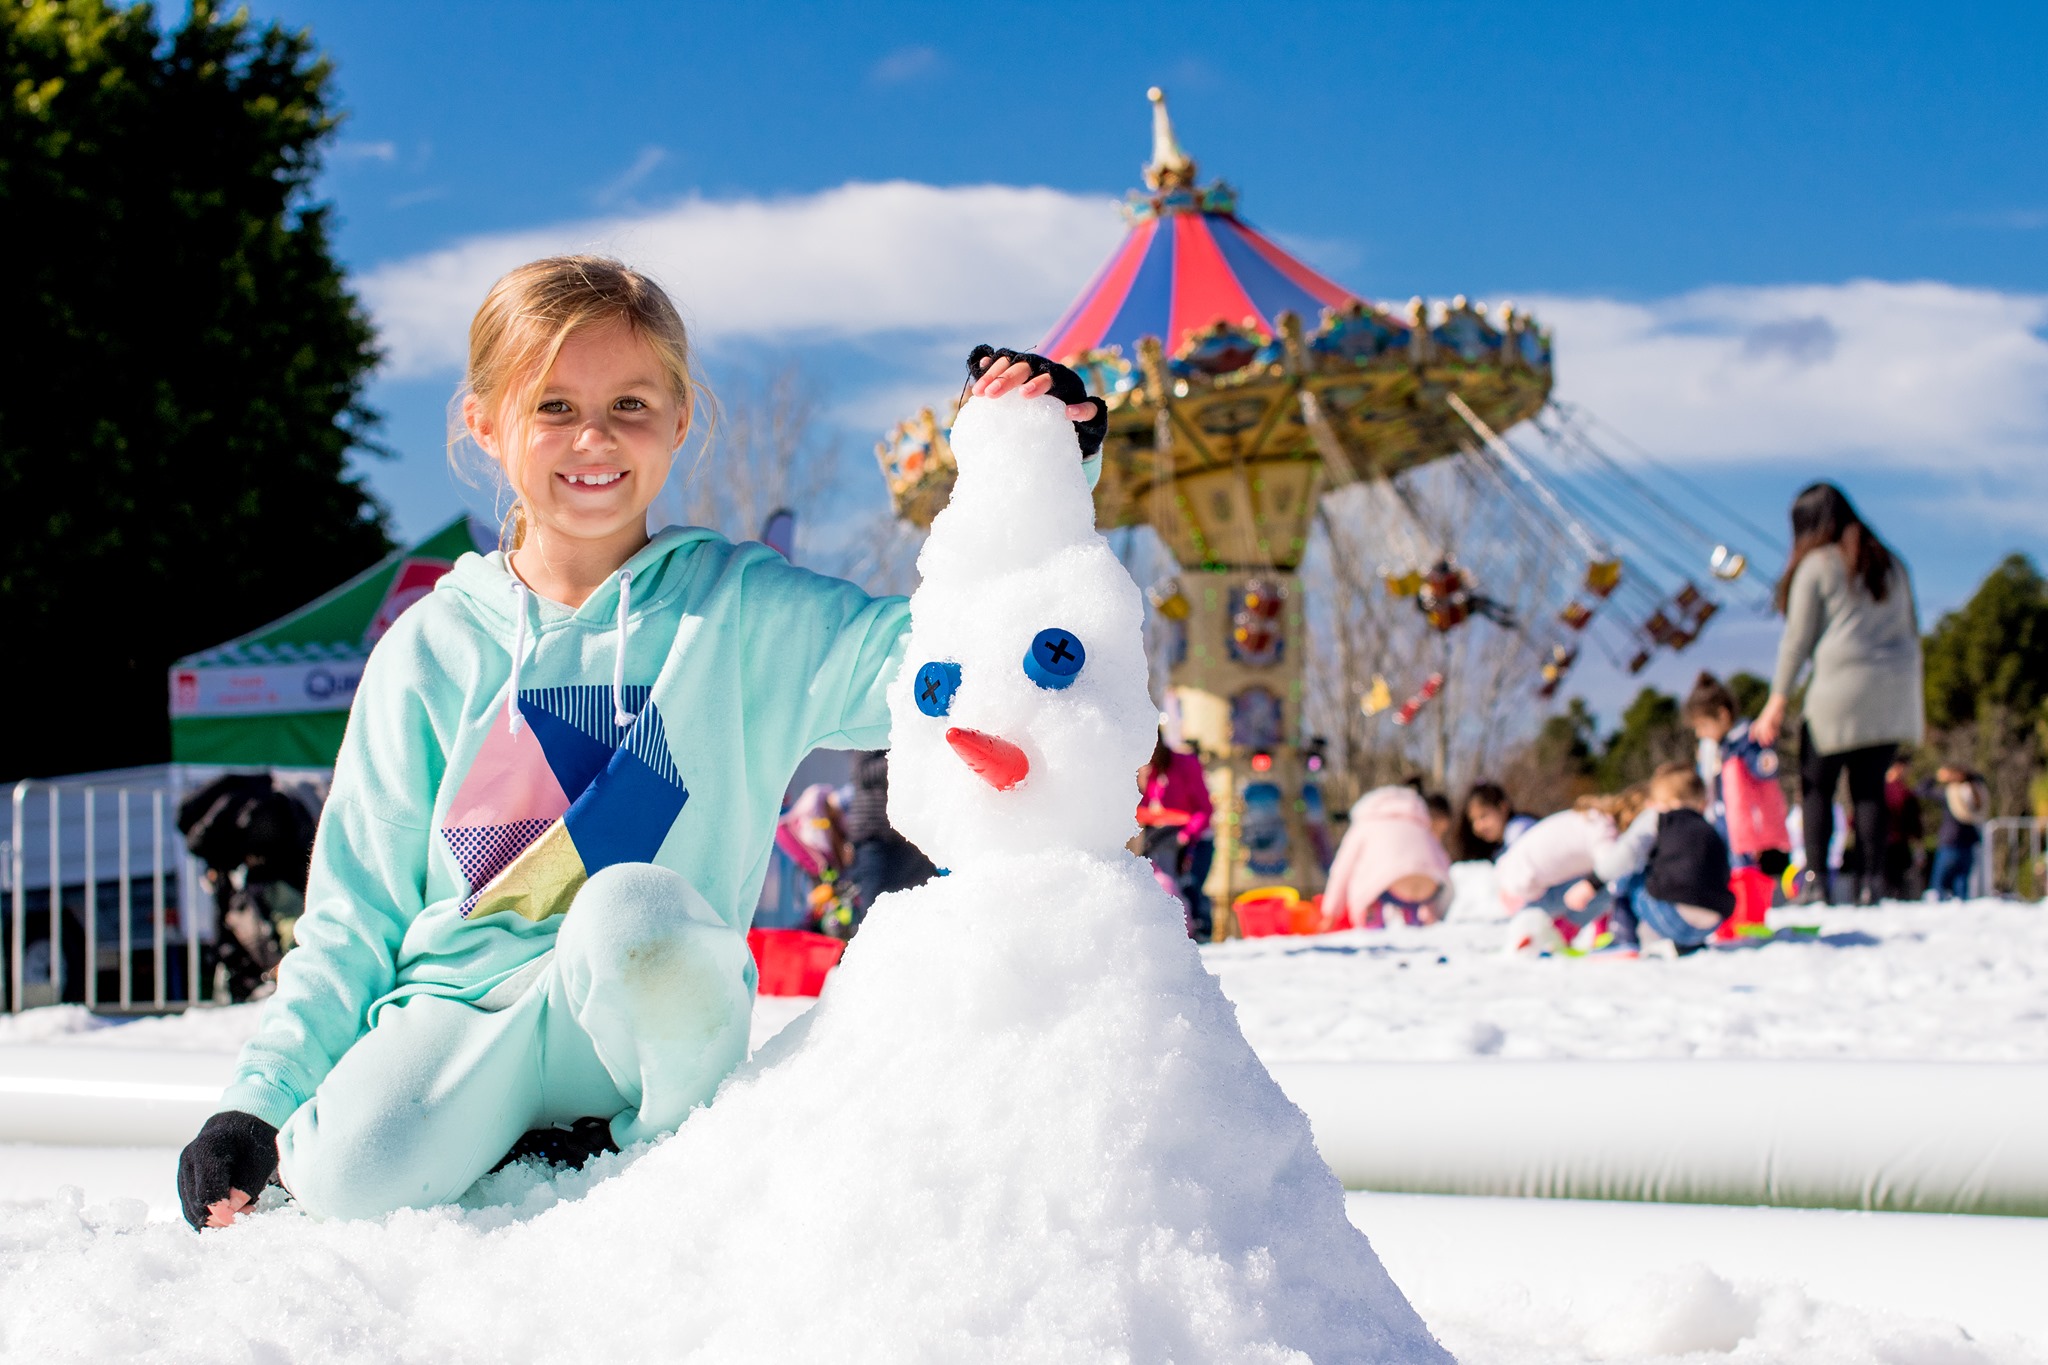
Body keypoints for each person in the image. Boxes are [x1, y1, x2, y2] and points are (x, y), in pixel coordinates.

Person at [173, 257, 1108, 1231]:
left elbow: (953, 654)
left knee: (630, 909)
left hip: (648, 1009)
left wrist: (1031, 467)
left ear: (678, 420)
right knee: (346, 1177)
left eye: (629, 403)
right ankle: (483, 1147)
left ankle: (636, 1153)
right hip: (457, 1020)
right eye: (552, 407)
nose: (593, 439)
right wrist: (257, 1102)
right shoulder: (425, 651)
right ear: (484, 422)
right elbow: (352, 917)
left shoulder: (746, 614)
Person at [1751, 483, 1924, 905]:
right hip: (1893, 690)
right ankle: (1872, 882)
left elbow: (1797, 640)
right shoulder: (1891, 564)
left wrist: (1776, 701)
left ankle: (1817, 880)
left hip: (1839, 688)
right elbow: (1913, 627)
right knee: (1869, 791)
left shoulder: (1818, 565)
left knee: (1817, 786)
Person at [1684, 671, 1790, 931]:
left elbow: (1763, 766)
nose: (1701, 733)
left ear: (1722, 715)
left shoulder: (1745, 739)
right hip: (1722, 820)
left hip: (1743, 821)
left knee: (1744, 868)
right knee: (1725, 870)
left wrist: (1766, 761)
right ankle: (1731, 919)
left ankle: (1749, 916)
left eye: (1703, 726)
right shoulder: (1716, 747)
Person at [1495, 787, 1648, 953]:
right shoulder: (1604, 830)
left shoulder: (1592, 816)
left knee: (1593, 881)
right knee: (1609, 885)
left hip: (1514, 880)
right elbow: (1613, 871)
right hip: (1523, 890)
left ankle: (1535, 929)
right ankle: (1560, 933)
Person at [1606, 764, 1736, 956]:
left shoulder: (1662, 820)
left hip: (1674, 919)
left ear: (1670, 802)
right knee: (1685, 878)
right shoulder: (1711, 829)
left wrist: (1594, 881)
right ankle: (1690, 945)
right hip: (1713, 921)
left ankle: (1623, 939)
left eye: (1656, 802)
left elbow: (1625, 856)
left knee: (1629, 875)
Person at [1321, 786, 1452, 929]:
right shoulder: (1419, 824)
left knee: (1374, 880)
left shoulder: (1365, 824)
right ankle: (1414, 920)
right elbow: (1443, 862)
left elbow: (1342, 869)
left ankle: (1372, 922)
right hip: (1429, 888)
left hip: (1390, 887)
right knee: (1408, 882)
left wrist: (1331, 913)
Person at [842, 749, 937, 928]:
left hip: (913, 839)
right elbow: (862, 773)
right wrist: (908, 753)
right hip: (876, 839)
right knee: (874, 917)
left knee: (924, 910)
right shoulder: (873, 731)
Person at [1135, 728, 1214, 937]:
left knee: (1191, 885)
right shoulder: (1148, 771)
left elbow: (1204, 809)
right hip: (1161, 840)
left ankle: (1200, 929)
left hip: (1192, 838)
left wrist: (1186, 836)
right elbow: (1146, 807)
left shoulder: (1184, 764)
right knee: (1162, 886)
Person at [1925, 764, 1990, 900]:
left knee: (1939, 886)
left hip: (1950, 843)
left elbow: (1922, 790)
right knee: (1962, 886)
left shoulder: (1950, 793)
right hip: (1969, 842)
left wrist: (1935, 777)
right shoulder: (1976, 790)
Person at [1459, 781, 1535, 862]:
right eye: (1472, 821)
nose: (1478, 826)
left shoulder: (1518, 830)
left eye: (1483, 816)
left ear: (1503, 808)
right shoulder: (1498, 848)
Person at [1881, 757, 1924, 900]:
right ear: (1899, 768)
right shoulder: (1903, 793)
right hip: (1898, 845)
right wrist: (1919, 846)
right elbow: (1915, 823)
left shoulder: (1872, 792)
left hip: (1877, 846)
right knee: (1899, 887)